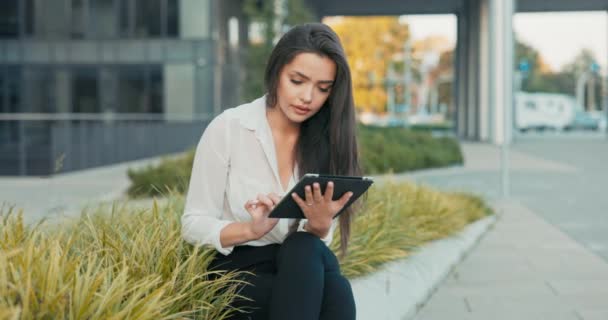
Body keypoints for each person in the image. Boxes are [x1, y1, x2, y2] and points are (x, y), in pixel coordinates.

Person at [181, 22, 361, 320]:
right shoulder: (229, 127)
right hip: (240, 270)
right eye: (297, 80)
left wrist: (320, 227)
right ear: (277, 71)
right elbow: (192, 224)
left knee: (305, 246)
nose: (308, 97)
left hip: (302, 263)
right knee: (336, 292)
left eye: (322, 88)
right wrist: (250, 230)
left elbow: (315, 242)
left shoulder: (330, 140)